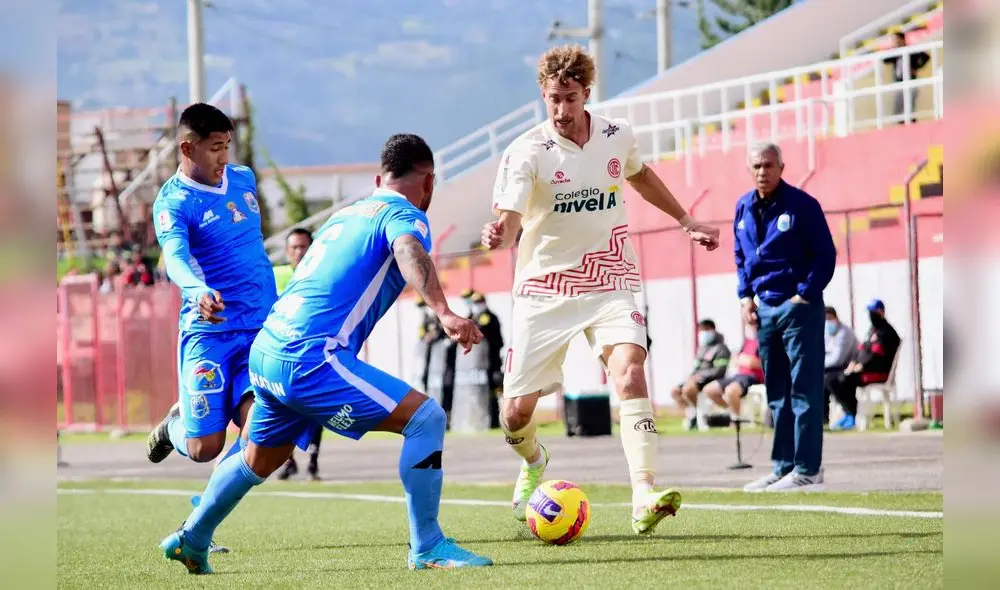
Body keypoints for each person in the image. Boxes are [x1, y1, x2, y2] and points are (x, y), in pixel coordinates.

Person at [158, 133, 492, 574]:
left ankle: (193, 538)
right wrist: (445, 311)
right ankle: (428, 545)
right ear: (428, 182)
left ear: (378, 178)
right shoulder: (404, 213)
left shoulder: (345, 215)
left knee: (260, 457)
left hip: (269, 347)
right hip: (311, 358)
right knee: (426, 418)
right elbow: (408, 248)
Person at [480, 44, 719, 533]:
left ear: (587, 93)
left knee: (630, 372)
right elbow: (506, 219)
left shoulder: (617, 135)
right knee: (513, 414)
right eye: (553, 100)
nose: (562, 110)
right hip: (544, 288)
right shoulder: (526, 151)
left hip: (610, 277)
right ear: (543, 96)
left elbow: (642, 175)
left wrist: (684, 219)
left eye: (570, 98)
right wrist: (498, 232)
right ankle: (533, 462)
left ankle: (643, 493)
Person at [146, 103, 277, 551]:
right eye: (215, 147)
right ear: (188, 147)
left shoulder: (243, 180)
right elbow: (177, 259)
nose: (224, 156)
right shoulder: (174, 202)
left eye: (227, 145)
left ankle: (201, 526)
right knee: (204, 448)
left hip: (259, 331)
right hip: (210, 332)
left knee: (260, 431)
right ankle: (174, 428)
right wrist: (196, 289)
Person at [735, 141, 836, 492]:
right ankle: (783, 466)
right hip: (764, 309)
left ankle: (808, 468)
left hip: (798, 308)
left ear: (781, 167)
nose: (763, 172)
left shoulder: (802, 206)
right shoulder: (743, 207)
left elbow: (825, 254)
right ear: (749, 170)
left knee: (803, 389)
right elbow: (741, 256)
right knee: (776, 391)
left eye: (768, 165)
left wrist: (803, 295)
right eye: (757, 167)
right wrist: (745, 295)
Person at [272, 228, 325, 481]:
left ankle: (313, 461)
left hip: (313, 355)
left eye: (304, 247)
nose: (299, 252)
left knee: (315, 409)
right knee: (281, 409)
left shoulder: (322, 276)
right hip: (280, 356)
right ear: (286, 251)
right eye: (294, 247)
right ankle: (289, 459)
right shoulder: (277, 276)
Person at [826, 299, 901, 431]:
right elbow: (862, 349)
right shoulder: (873, 331)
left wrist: (862, 366)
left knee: (840, 380)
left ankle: (852, 414)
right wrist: (854, 362)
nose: (871, 316)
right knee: (832, 378)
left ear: (881, 312)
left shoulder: (887, 333)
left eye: (873, 312)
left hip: (878, 373)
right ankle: (849, 413)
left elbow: (876, 356)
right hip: (862, 369)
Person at [670, 319, 731, 431]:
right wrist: (692, 377)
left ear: (712, 330)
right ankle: (692, 414)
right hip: (696, 380)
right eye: (701, 330)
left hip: (711, 380)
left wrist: (700, 376)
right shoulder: (702, 348)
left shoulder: (721, 348)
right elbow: (695, 369)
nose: (702, 333)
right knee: (675, 391)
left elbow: (719, 371)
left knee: (688, 389)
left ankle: (698, 416)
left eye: (705, 330)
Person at [703, 323, 763, 424]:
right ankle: (734, 412)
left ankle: (736, 420)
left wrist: (748, 361)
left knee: (731, 391)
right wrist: (745, 361)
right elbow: (736, 359)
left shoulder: (764, 341)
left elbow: (761, 363)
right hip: (738, 375)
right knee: (709, 390)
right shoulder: (747, 342)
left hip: (753, 377)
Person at [462, 289, 504, 428]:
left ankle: (493, 420)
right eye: (474, 302)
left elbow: (494, 340)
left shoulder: (490, 317)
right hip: (476, 363)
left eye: (478, 302)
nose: (476, 305)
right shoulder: (472, 317)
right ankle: (479, 419)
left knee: (492, 390)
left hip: (490, 361)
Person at [884, 31, 931, 124]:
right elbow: (885, 60)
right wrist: (892, 49)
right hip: (899, 83)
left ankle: (912, 129)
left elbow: (926, 57)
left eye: (895, 39)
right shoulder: (895, 52)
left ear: (901, 39)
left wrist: (916, 67)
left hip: (911, 82)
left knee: (909, 109)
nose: (894, 42)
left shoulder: (911, 50)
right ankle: (903, 127)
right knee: (898, 110)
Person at [823, 306, 858, 425]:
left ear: (836, 318)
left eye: (829, 318)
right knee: (818, 380)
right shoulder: (826, 332)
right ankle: (823, 418)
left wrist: (818, 364)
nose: (827, 322)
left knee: (829, 380)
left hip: (847, 368)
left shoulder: (844, 333)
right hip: (830, 368)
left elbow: (837, 359)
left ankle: (849, 413)